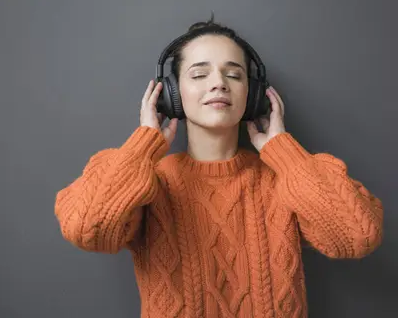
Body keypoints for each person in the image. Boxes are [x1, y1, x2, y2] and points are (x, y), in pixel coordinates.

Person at [54, 16, 383, 318]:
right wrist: (144, 143)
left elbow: (357, 237)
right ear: (171, 94)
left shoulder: (287, 179)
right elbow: (88, 229)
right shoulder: (149, 184)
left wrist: (283, 151)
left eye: (234, 74)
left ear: (252, 95)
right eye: (199, 74)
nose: (219, 84)